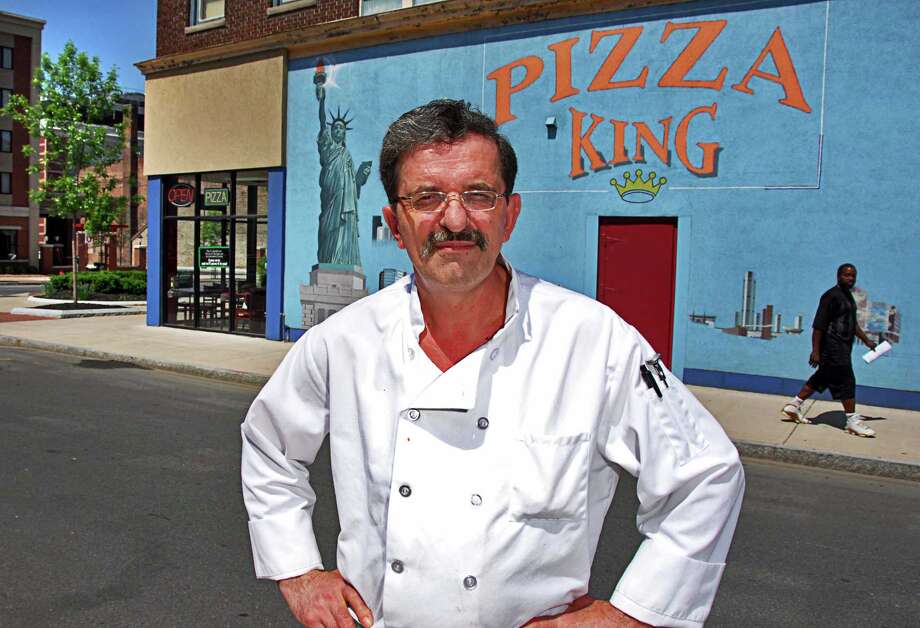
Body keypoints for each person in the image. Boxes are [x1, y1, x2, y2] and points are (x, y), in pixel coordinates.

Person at [241, 100, 745, 628]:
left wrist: (629, 617)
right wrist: (297, 571)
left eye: (479, 195)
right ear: (395, 223)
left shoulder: (594, 341)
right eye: (427, 198)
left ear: (510, 215)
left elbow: (705, 473)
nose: (455, 219)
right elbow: (269, 445)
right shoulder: (342, 342)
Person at [782, 263, 878, 436]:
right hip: (832, 346)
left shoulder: (847, 297)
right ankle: (852, 420)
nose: (850, 278)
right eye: (846, 275)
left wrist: (866, 341)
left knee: (822, 377)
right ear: (838, 276)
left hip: (842, 347)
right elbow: (818, 326)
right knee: (847, 380)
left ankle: (794, 405)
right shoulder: (830, 296)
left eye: (853, 275)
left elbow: (852, 324)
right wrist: (815, 351)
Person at [315, 75, 372, 267]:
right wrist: (321, 100)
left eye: (342, 129)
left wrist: (361, 177)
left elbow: (353, 187)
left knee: (346, 226)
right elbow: (322, 121)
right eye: (336, 128)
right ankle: (330, 260)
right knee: (328, 228)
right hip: (331, 196)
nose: (339, 130)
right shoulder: (328, 147)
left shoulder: (347, 155)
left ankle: (344, 261)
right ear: (331, 132)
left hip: (347, 203)